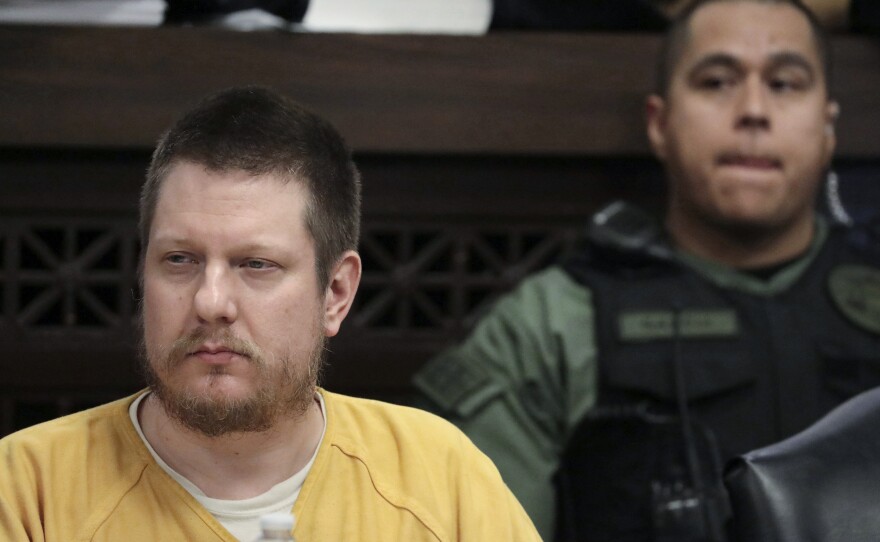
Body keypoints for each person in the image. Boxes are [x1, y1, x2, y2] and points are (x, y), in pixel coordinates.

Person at [412, 0, 880, 540]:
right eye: (717, 81)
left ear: (828, 127)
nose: (753, 109)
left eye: (785, 84)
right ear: (659, 124)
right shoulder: (552, 326)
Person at [0, 86, 541, 542]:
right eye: (180, 260)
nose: (211, 302)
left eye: (255, 264)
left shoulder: (439, 478)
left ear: (335, 293)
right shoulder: (27, 488)